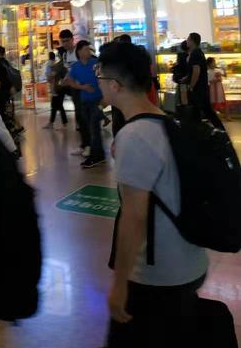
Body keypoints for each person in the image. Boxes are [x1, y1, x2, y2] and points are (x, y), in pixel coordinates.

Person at [97, 41, 208, 347]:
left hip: (156, 276)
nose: (98, 83)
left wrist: (120, 284)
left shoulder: (134, 135)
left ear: (115, 85)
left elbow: (134, 218)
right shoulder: (167, 121)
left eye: (100, 76)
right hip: (189, 262)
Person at [66, 40, 105, 168]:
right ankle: (98, 154)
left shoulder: (95, 63)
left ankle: (96, 155)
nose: (88, 52)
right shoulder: (76, 67)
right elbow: (70, 81)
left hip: (96, 100)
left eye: (89, 49)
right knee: (90, 127)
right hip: (84, 101)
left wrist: (104, 97)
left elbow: (103, 78)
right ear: (79, 52)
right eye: (86, 49)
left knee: (94, 127)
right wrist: (82, 87)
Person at [186, 32, 213, 122]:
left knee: (205, 111)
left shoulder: (195, 53)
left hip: (198, 88)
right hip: (202, 87)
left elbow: (196, 71)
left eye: (188, 39)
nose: (187, 41)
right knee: (204, 111)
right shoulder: (198, 52)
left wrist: (191, 86)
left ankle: (219, 128)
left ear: (192, 41)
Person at [43, 52, 68, 129]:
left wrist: (49, 78)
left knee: (58, 105)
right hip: (59, 87)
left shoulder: (59, 64)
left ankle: (63, 123)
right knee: (55, 105)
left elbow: (51, 75)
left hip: (58, 88)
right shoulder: (61, 64)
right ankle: (53, 123)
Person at [207, 57, 229, 121]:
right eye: (213, 62)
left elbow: (225, 75)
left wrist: (224, 69)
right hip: (212, 90)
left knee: (222, 102)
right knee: (212, 103)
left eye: (214, 62)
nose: (214, 63)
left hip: (219, 89)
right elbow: (208, 81)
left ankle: (227, 116)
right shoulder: (207, 72)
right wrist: (216, 80)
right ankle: (213, 117)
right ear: (209, 64)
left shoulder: (218, 70)